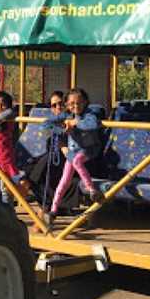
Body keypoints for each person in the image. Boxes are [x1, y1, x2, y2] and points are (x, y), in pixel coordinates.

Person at [45, 88, 103, 225]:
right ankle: (53, 210)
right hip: (73, 151)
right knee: (64, 181)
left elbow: (92, 124)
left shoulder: (89, 114)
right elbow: (46, 123)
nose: (75, 106)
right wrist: (63, 129)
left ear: (85, 103)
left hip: (88, 149)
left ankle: (92, 190)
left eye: (79, 103)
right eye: (71, 104)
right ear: (67, 105)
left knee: (77, 161)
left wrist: (75, 123)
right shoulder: (66, 114)